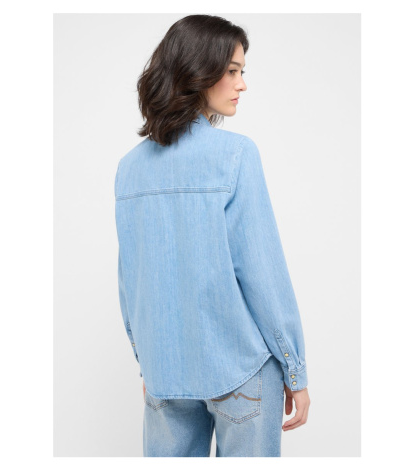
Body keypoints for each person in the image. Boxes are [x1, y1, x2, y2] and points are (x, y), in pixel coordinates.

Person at [114, 14, 310, 457]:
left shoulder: (129, 168)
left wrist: (148, 359)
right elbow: (262, 274)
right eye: (233, 71)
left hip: (165, 372)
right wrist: (295, 369)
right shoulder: (235, 155)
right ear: (198, 72)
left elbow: (130, 281)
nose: (242, 84)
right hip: (240, 369)